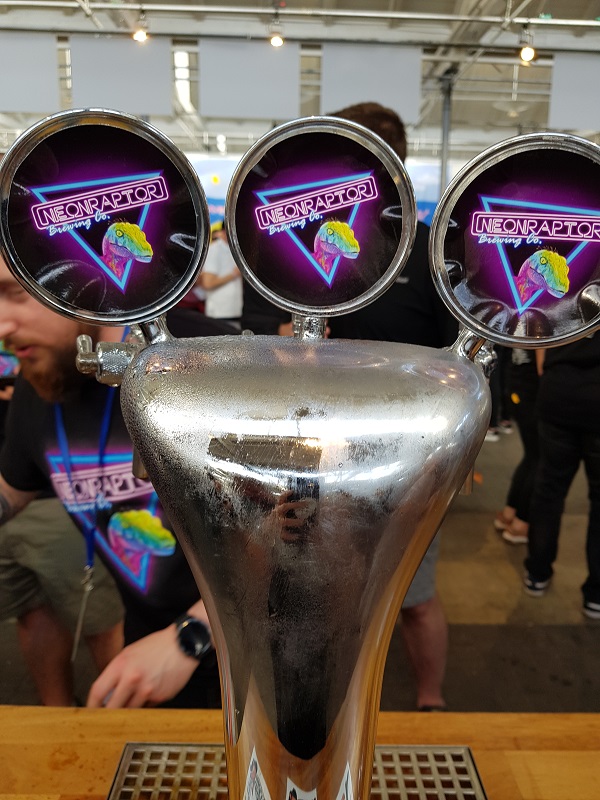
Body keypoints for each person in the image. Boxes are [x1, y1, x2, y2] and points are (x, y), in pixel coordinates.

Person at [0, 252, 237, 708]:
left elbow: (298, 537)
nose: (2, 325)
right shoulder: (42, 379)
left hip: (249, 652)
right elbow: (15, 487)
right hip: (150, 649)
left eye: (16, 294)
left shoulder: (207, 356)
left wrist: (191, 637)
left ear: (86, 284)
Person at [326, 101, 455, 711]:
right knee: (331, 592)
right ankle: (339, 703)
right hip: (323, 454)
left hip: (412, 459)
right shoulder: (318, 251)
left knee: (415, 598)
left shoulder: (430, 253)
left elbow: (463, 363)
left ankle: (431, 701)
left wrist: (457, 452)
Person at [523, 332, 600, 620]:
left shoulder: (566, 297)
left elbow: (540, 333)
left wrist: (547, 372)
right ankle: (596, 594)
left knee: (549, 490)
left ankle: (537, 573)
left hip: (559, 392)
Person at [493, 348, 541, 544]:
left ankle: (509, 514)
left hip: (518, 384)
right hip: (531, 390)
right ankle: (520, 523)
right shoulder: (542, 329)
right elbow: (541, 364)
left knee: (532, 457)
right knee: (538, 458)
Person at [200, 221, 243, 327]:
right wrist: (233, 274)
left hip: (237, 312)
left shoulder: (237, 250)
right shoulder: (214, 250)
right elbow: (208, 283)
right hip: (219, 314)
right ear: (225, 231)